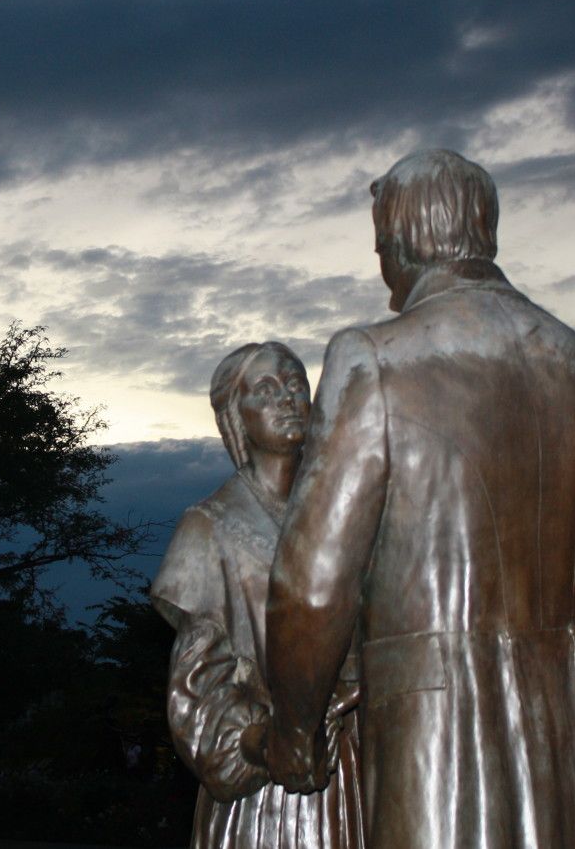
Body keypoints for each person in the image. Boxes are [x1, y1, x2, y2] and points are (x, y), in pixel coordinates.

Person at [265, 149, 575, 849]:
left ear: (404, 235)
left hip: (438, 735)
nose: (382, 265)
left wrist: (295, 729)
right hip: (567, 730)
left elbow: (310, 583)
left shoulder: (374, 358)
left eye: (379, 242)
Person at [152, 342, 363, 849]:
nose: (287, 399)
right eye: (266, 391)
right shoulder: (209, 529)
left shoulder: (347, 516)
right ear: (236, 416)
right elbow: (198, 691)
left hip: (354, 773)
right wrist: (267, 741)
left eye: (296, 386)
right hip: (266, 794)